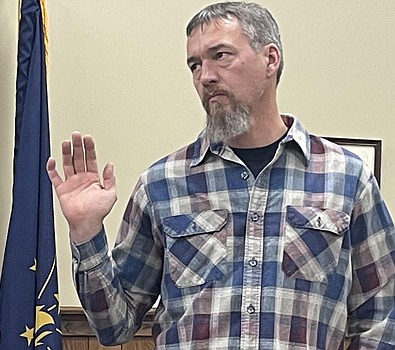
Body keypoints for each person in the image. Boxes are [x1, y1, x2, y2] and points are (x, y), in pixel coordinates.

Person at [46, 2, 395, 349]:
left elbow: (382, 316)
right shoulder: (162, 184)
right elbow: (115, 326)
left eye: (221, 56)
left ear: (270, 59)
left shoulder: (347, 179)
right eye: (195, 64)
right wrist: (85, 230)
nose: (205, 76)